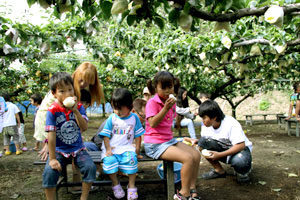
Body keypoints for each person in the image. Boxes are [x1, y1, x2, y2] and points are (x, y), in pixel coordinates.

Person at [144, 71, 201, 200]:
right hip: (155, 144)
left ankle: (192, 189)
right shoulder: (152, 103)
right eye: (163, 88)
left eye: (170, 87)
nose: (167, 90)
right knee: (187, 158)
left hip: (167, 140)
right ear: (155, 88)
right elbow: (152, 123)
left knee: (196, 154)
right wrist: (165, 108)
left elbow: (171, 124)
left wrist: (181, 139)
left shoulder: (172, 102)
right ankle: (183, 194)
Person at [35, 62, 105, 161]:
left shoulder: (75, 91)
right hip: (46, 119)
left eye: (87, 82)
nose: (83, 84)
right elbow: (51, 121)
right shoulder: (64, 87)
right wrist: (47, 142)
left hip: (64, 124)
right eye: (81, 80)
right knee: (53, 155)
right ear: (76, 74)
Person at [42, 72, 96, 200]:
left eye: (70, 90)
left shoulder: (79, 107)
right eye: (62, 91)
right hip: (59, 151)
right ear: (54, 93)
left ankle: (83, 197)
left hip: (78, 149)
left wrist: (75, 111)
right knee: (49, 173)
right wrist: (52, 158)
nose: (67, 94)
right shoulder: (52, 111)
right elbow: (51, 135)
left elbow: (84, 127)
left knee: (90, 167)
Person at [190, 100, 252, 183]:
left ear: (214, 117)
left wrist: (220, 155)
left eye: (204, 118)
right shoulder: (206, 126)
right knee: (202, 142)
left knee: (240, 162)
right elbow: (207, 140)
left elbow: (241, 145)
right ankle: (219, 170)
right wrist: (197, 141)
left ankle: (242, 172)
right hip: (224, 148)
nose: (202, 120)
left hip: (240, 150)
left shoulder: (230, 123)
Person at [99, 88, 145, 200]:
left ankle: (131, 185)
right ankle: (115, 184)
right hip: (112, 148)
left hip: (127, 148)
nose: (117, 111)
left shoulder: (134, 118)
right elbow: (105, 135)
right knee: (109, 162)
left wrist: (137, 151)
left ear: (129, 106)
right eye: (114, 108)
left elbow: (138, 135)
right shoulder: (112, 118)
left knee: (132, 161)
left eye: (120, 108)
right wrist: (108, 149)